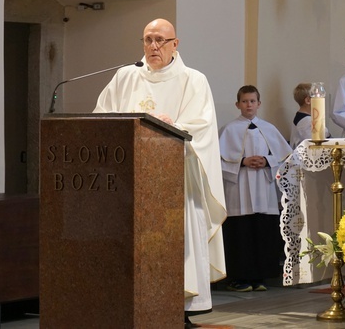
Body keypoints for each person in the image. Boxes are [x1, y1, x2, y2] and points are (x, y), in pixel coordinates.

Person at [93, 18, 226, 327]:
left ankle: (178, 313)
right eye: (148, 39)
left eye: (160, 40)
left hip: (175, 183)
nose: (153, 46)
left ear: (175, 44)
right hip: (130, 184)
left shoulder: (193, 80)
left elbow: (202, 128)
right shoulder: (125, 76)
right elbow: (101, 116)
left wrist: (169, 127)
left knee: (177, 250)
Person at [219, 85, 291, 293]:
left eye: (252, 101)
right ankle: (240, 278)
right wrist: (242, 161)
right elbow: (216, 161)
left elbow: (286, 158)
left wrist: (267, 161)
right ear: (237, 104)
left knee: (262, 232)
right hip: (238, 190)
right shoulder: (228, 129)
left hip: (263, 189)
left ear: (259, 104)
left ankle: (260, 277)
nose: (249, 105)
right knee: (241, 233)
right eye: (244, 101)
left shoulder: (269, 129)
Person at [290, 82, 330, 148]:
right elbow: (315, 143)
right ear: (308, 100)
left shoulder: (307, 119)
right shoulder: (305, 121)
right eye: (317, 96)